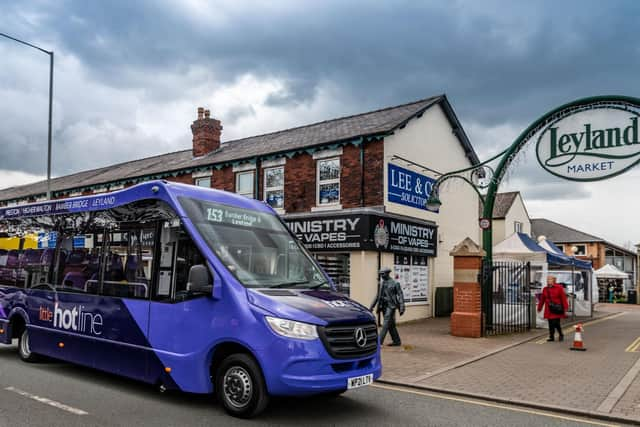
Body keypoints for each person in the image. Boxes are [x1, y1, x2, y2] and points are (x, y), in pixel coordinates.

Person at [369, 267, 405, 346]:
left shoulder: (395, 283)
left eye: (383, 273)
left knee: (385, 323)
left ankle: (379, 342)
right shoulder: (382, 283)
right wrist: (371, 306)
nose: (381, 275)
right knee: (391, 324)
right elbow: (378, 296)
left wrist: (402, 307)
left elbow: (400, 295)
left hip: (391, 306)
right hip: (383, 306)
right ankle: (397, 341)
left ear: (387, 273)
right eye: (380, 274)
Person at [537, 274, 569, 342]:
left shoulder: (559, 288)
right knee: (550, 323)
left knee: (556, 323)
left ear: (554, 280)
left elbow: (563, 298)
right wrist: (539, 308)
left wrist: (565, 308)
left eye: (550, 279)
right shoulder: (545, 289)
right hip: (549, 309)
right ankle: (551, 337)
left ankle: (561, 334)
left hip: (557, 308)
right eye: (547, 279)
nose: (548, 281)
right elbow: (542, 299)